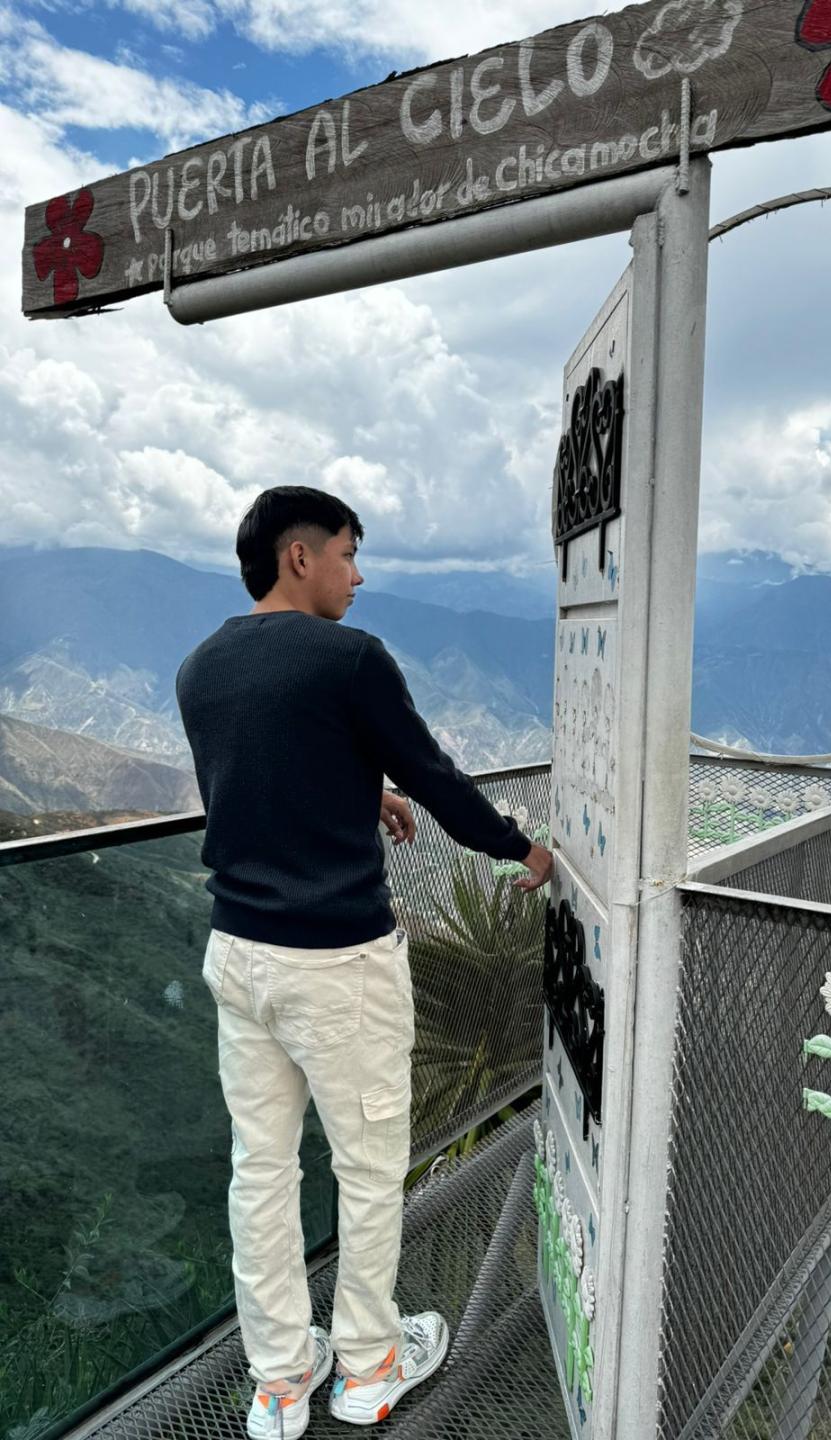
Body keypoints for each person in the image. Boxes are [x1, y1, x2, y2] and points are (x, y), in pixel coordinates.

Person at [175, 486, 554, 1437]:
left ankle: (277, 1383)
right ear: (299, 556)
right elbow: (435, 776)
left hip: (239, 954)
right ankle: (369, 1368)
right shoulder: (350, 659)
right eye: (347, 553)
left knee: (261, 1173)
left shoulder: (200, 667)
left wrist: (360, 792)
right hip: (337, 964)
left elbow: (259, 782)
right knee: (370, 1169)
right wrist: (521, 848)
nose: (358, 575)